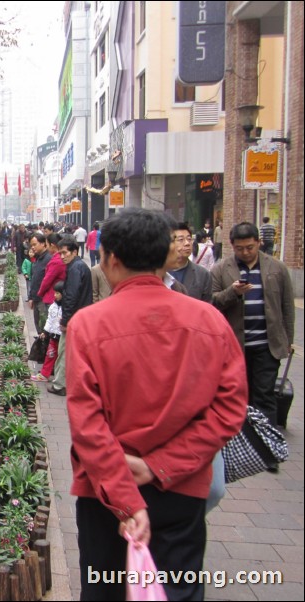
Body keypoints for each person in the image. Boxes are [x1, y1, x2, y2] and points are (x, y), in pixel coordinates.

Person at [67, 208, 247, 601]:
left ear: (111, 259)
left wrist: (127, 497)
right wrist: (160, 466)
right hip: (182, 487)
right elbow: (231, 410)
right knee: (179, 589)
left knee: (105, 590)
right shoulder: (210, 321)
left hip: (106, 492)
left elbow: (88, 425)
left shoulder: (88, 324)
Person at [212, 222, 295, 430]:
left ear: (259, 242)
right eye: (240, 248)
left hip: (267, 346)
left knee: (264, 396)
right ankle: (243, 447)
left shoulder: (277, 268)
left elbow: (287, 307)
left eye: (250, 247)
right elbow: (211, 304)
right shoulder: (221, 269)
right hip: (235, 348)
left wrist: (288, 341)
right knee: (239, 396)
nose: (246, 252)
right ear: (232, 245)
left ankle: (267, 449)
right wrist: (233, 293)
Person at [47, 237, 92, 397]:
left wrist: (65, 320)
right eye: (60, 253)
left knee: (64, 352)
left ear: (75, 251)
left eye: (65, 253)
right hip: (80, 316)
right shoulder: (80, 266)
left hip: (74, 318)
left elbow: (71, 296)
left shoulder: (75, 269)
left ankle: (60, 385)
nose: (62, 256)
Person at [167, 223, 212, 303]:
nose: (187, 243)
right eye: (181, 240)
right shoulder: (160, 272)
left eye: (189, 239)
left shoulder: (203, 274)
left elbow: (207, 306)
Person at [32, 280, 64, 382]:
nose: (55, 295)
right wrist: (45, 332)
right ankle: (44, 374)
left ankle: (61, 377)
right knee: (50, 354)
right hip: (53, 336)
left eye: (58, 293)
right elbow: (49, 320)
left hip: (62, 336)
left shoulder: (67, 308)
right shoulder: (53, 307)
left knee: (63, 357)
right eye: (55, 293)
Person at [27, 233, 51, 334]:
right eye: (31, 245)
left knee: (43, 328)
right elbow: (34, 279)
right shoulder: (38, 258)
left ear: (43, 244)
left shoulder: (48, 259)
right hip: (36, 298)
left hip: (43, 300)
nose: (32, 247)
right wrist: (31, 297)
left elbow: (46, 281)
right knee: (38, 326)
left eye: (34, 244)